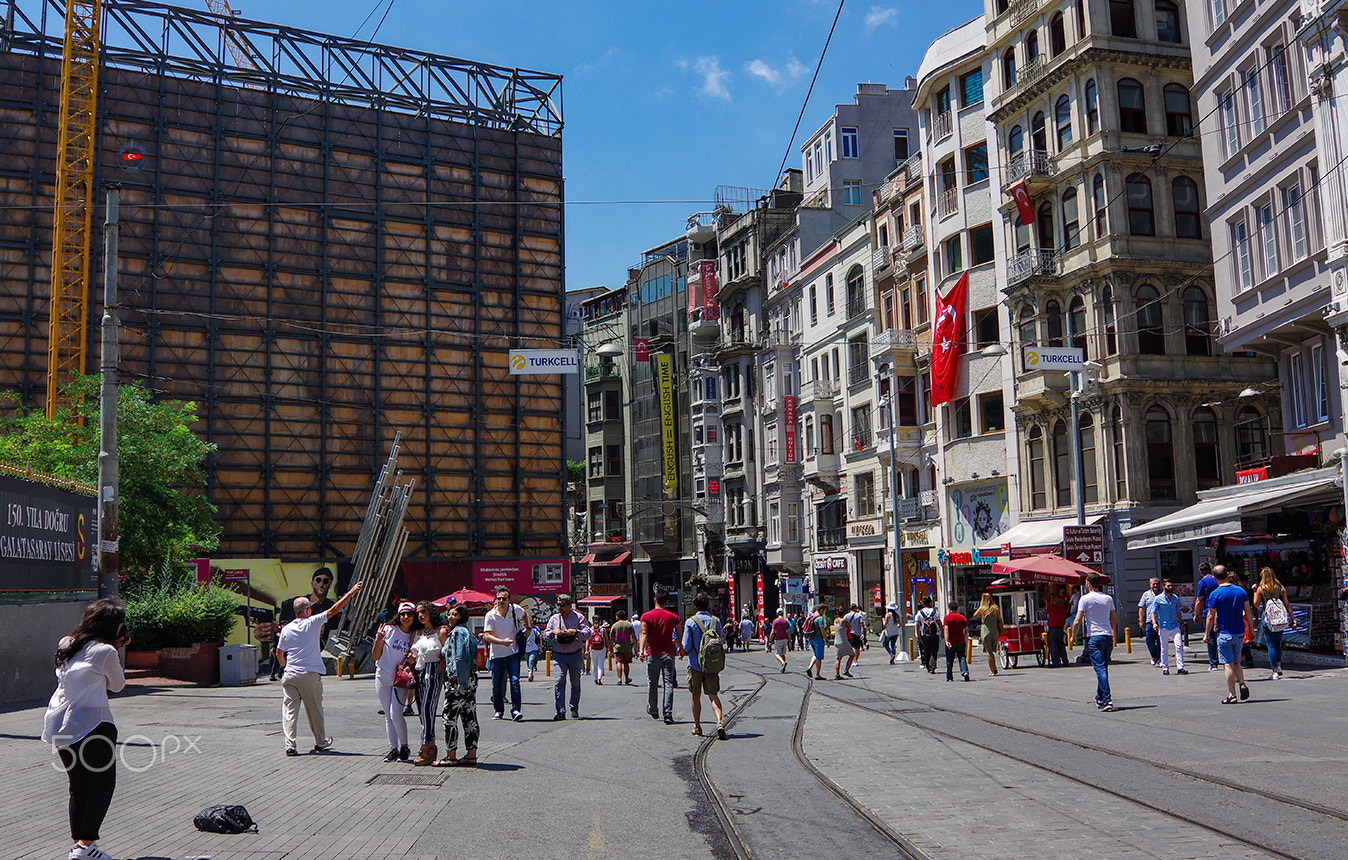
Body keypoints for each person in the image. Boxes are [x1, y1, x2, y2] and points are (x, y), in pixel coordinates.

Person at [43, 598, 130, 860]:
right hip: (93, 725)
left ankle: (80, 845)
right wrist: (116, 647)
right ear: (111, 626)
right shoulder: (105, 651)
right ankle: (85, 847)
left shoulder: (67, 643)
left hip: (60, 723)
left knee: (78, 786)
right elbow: (117, 685)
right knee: (101, 786)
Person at [276, 580, 363, 755]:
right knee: (314, 709)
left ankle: (290, 745)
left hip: (290, 674)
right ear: (308, 610)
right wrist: (351, 592)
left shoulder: (286, 629)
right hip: (309, 674)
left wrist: (285, 666)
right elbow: (334, 610)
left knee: (289, 711)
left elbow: (279, 652)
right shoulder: (313, 622)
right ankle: (320, 741)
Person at [372, 600, 419, 762]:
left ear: (414, 616)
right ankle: (393, 749)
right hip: (383, 674)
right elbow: (375, 656)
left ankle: (404, 746)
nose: (406, 617)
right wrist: (378, 639)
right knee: (388, 715)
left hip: (401, 678)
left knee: (396, 713)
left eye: (409, 614)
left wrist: (413, 659)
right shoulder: (388, 629)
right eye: (403, 614)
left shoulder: (415, 634)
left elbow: (416, 658)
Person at [435, 604, 480, 767]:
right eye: (449, 614)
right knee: (469, 716)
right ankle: (471, 755)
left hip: (458, 681)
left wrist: (456, 678)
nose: (450, 617)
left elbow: (459, 657)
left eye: (454, 614)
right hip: (469, 680)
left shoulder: (458, 633)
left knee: (450, 717)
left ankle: (451, 756)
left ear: (461, 616)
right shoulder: (466, 632)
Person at [272, 567, 338, 679]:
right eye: (318, 580)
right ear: (312, 583)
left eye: (325, 581)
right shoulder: (291, 604)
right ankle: (277, 673)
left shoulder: (328, 608)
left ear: (329, 585)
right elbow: (279, 647)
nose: (321, 584)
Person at [1205, 565, 1254, 704]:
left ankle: (1232, 694)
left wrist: (1207, 633)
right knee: (1237, 661)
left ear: (1214, 578)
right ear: (1227, 574)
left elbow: (1210, 615)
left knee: (1228, 664)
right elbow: (1248, 611)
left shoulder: (1215, 594)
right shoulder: (1240, 591)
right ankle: (1242, 683)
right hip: (1239, 632)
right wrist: (1251, 629)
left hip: (1224, 633)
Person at [481, 586, 530, 722]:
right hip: (497, 655)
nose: (501, 601)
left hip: (513, 653)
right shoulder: (490, 615)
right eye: (499, 598)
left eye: (504, 598)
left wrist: (528, 629)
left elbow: (526, 615)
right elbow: (487, 636)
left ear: (509, 600)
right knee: (497, 685)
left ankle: (515, 710)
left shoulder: (515, 610)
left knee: (515, 682)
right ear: (495, 600)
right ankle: (498, 710)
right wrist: (502, 642)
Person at [682, 591, 727, 739]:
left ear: (695, 606)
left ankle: (697, 726)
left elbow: (686, 646)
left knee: (696, 696)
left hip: (695, 664)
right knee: (713, 695)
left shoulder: (690, 622)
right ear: (708, 605)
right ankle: (719, 722)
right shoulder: (716, 621)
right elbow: (721, 640)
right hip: (711, 665)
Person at [1073, 572, 1117, 711]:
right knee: (1103, 667)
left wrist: (1073, 635)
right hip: (1107, 636)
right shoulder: (1108, 598)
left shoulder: (1085, 599)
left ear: (1088, 583)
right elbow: (1114, 618)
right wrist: (1110, 629)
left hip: (1094, 637)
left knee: (1100, 668)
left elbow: (1077, 620)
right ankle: (1100, 697)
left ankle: (1107, 700)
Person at [639, 586, 683, 723]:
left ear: (654, 600)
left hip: (653, 654)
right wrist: (679, 645)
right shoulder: (673, 617)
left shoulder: (646, 616)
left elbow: (644, 633)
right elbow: (680, 632)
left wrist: (641, 650)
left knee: (652, 683)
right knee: (668, 683)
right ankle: (668, 713)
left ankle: (653, 708)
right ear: (667, 601)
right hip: (668, 654)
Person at [409, 601, 445, 766]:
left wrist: (438, 670)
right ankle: (431, 745)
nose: (421, 615)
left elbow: (447, 654)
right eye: (418, 613)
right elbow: (415, 655)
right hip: (420, 673)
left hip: (433, 673)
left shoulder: (441, 631)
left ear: (431, 612)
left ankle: (425, 746)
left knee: (427, 709)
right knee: (422, 713)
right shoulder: (419, 632)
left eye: (424, 612)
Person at [545, 594, 591, 720]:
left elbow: (588, 634)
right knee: (559, 681)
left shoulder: (579, 617)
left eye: (562, 605)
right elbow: (545, 635)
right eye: (558, 604)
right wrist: (553, 632)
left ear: (569, 605)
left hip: (575, 654)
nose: (560, 607)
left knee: (575, 683)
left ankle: (574, 707)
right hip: (559, 654)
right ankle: (560, 711)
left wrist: (576, 632)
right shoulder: (554, 619)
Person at [1253, 566, 1295, 679]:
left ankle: (1274, 671)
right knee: (1278, 643)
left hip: (1268, 620)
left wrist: (1254, 591)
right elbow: (1287, 605)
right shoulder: (1280, 588)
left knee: (1270, 644)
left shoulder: (1261, 589)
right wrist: (1293, 619)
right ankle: (1279, 665)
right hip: (1280, 620)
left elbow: (1256, 604)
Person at [1148, 579, 1187, 676]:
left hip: (1174, 625)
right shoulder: (1158, 599)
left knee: (1179, 645)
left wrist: (1180, 623)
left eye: (1171, 586)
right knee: (1164, 647)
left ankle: (1180, 667)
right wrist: (1154, 623)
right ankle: (1165, 667)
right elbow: (1153, 612)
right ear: (1163, 587)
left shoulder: (1175, 598)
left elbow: (1178, 611)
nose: (1170, 587)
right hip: (1164, 626)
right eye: (1168, 586)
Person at [1193, 561, 1220, 671]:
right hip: (1220, 611)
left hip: (1208, 611)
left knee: (1210, 636)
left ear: (1200, 571)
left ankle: (1213, 663)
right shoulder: (1217, 579)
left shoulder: (1203, 582)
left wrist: (1196, 614)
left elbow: (1199, 600)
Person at [973, 593, 1004, 677]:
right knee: (992, 650)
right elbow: (1000, 620)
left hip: (986, 631)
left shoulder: (982, 608)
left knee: (988, 651)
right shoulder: (996, 608)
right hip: (995, 630)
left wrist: (981, 607)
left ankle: (992, 670)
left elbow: (975, 615)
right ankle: (995, 668)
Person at [943, 600, 970, 682]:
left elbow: (946, 629)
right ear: (957, 608)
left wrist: (947, 640)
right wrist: (964, 637)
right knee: (962, 657)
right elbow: (966, 629)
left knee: (949, 659)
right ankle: (965, 672)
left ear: (949, 608)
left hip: (951, 641)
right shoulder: (962, 617)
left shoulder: (947, 618)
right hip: (960, 641)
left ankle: (949, 676)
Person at [1138, 577, 1163, 666]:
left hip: (1161, 621)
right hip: (1149, 622)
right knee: (1149, 641)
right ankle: (1154, 656)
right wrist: (1141, 620)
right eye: (1153, 584)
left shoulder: (1163, 594)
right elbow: (1141, 608)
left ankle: (1160, 659)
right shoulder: (1146, 595)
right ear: (1150, 585)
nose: (1155, 585)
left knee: (1161, 641)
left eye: (1157, 584)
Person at [914, 597, 941, 674]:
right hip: (934, 634)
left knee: (926, 650)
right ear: (930, 602)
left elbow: (917, 624)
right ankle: (932, 666)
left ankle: (928, 667)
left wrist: (917, 634)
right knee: (934, 651)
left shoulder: (920, 613)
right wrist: (942, 632)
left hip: (924, 635)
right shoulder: (935, 611)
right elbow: (939, 622)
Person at [1045, 585, 1070, 668]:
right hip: (1060, 628)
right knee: (1061, 645)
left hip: (1053, 628)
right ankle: (1065, 661)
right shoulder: (1062, 609)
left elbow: (1046, 600)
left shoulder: (1052, 607)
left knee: (1053, 645)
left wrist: (1047, 590)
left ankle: (1055, 662)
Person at [610, 610, 636, 685]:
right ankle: (627, 678)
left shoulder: (614, 625)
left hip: (618, 646)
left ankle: (619, 679)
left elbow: (611, 637)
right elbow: (633, 636)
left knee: (619, 662)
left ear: (618, 617)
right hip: (627, 646)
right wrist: (636, 646)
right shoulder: (629, 625)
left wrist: (612, 645)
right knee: (626, 663)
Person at [841, 604, 866, 675]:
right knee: (857, 647)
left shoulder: (846, 616)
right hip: (857, 633)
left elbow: (843, 624)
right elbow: (862, 625)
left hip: (849, 633)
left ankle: (852, 658)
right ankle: (856, 660)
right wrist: (862, 633)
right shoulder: (859, 616)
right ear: (855, 608)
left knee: (852, 646)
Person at [804, 605, 827, 680]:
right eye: (823, 611)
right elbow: (822, 630)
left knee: (815, 654)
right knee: (819, 657)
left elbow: (804, 625)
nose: (823, 613)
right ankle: (817, 674)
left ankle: (809, 668)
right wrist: (826, 640)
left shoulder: (810, 616)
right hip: (818, 639)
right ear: (821, 610)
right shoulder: (820, 618)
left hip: (811, 637)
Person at [832, 610, 856, 680]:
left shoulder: (835, 620)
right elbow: (850, 626)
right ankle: (846, 670)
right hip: (844, 641)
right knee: (852, 655)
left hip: (836, 641)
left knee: (838, 658)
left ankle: (837, 674)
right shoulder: (844, 621)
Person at [588, 617, 609, 685]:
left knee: (594, 664)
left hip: (593, 648)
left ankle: (595, 678)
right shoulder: (603, 629)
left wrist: (586, 649)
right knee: (600, 664)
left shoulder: (590, 629)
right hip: (602, 648)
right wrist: (609, 647)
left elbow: (588, 640)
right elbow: (606, 639)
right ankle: (599, 679)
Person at [769, 608, 791, 673]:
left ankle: (783, 663)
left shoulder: (775, 621)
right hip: (785, 639)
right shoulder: (786, 621)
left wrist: (770, 641)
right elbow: (789, 632)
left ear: (777, 614)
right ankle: (783, 667)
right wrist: (790, 641)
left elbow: (772, 632)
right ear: (783, 613)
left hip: (778, 639)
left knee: (777, 654)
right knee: (783, 654)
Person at [524, 618, 544, 682]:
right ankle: (531, 670)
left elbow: (540, 637)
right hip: (526, 650)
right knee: (528, 661)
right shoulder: (524, 631)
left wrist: (540, 647)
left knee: (531, 660)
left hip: (534, 649)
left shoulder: (535, 630)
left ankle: (530, 673)